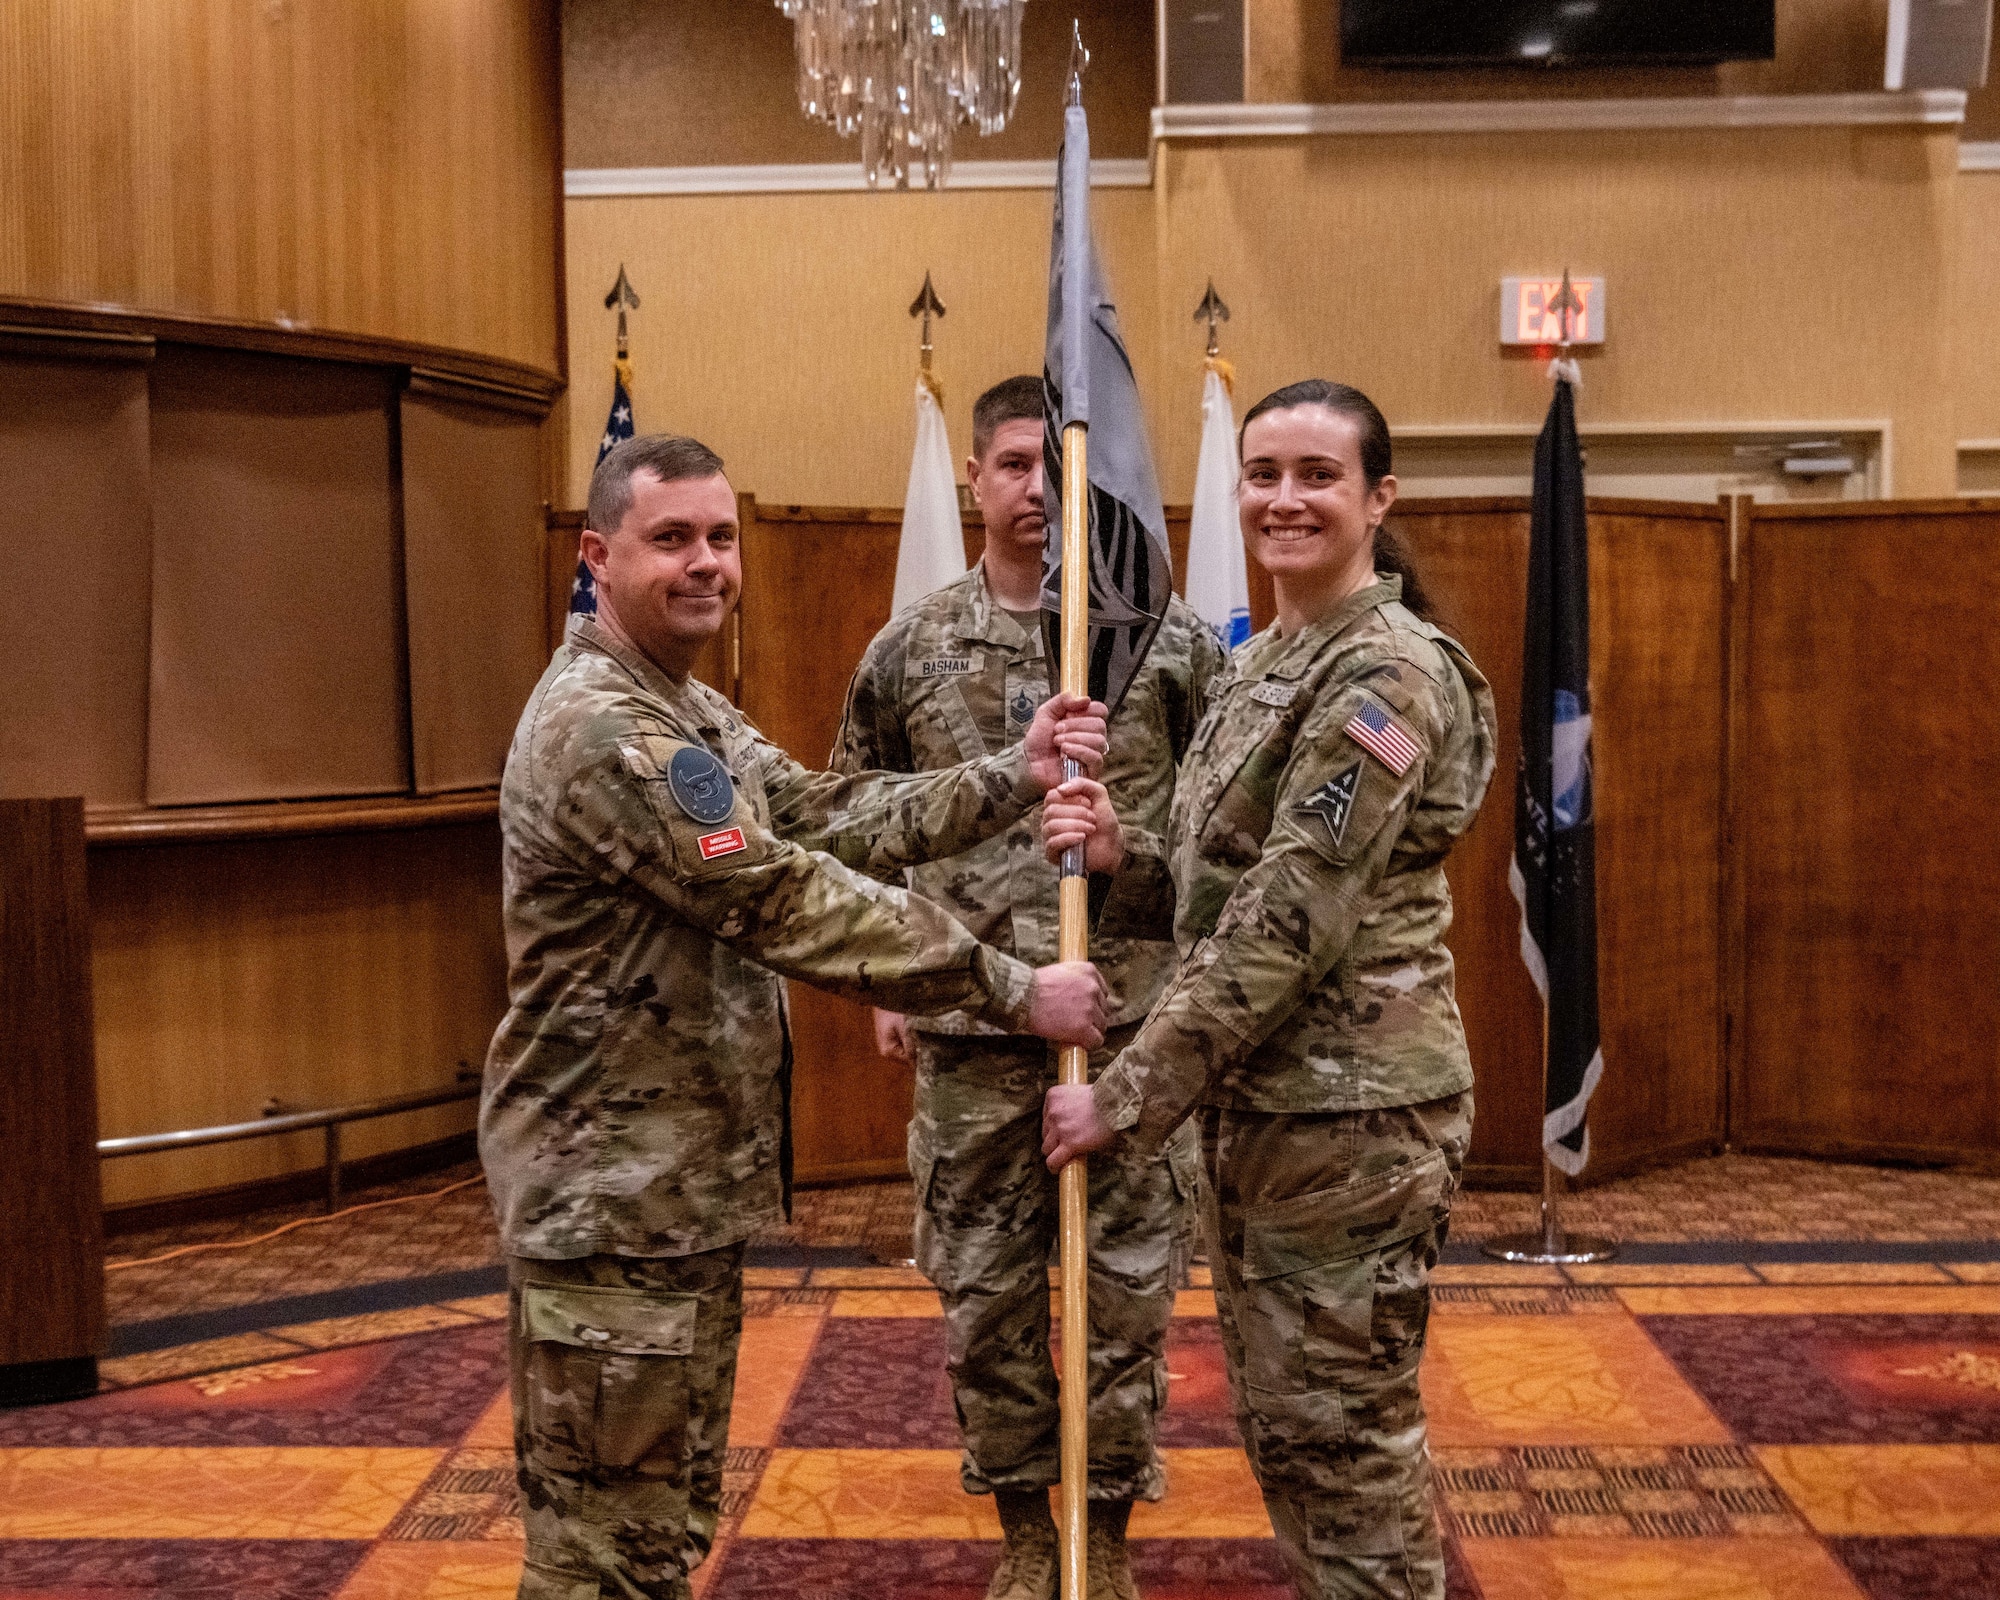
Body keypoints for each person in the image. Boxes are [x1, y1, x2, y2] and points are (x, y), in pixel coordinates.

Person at [481, 431, 1113, 1600]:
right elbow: (784, 896)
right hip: (608, 1200)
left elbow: (822, 815)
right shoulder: (603, 729)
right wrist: (1013, 990)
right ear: (595, 554)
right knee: (600, 1559)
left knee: (655, 1535)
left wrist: (1010, 777)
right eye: (669, 538)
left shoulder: (686, 710)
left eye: (720, 537)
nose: (705, 563)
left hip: (667, 1191)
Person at [1040, 380, 1497, 1600]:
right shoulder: (1267, 658)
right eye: (1262, 473)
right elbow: (1219, 887)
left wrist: (1126, 1098)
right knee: (1293, 1435)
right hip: (1269, 1116)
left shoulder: (1385, 681)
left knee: (1342, 1446)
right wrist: (1119, 862)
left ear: (1375, 497)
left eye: (1316, 475)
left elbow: (1289, 917)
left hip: (1349, 1127)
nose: (1282, 498)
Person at [831, 375, 1226, 1600]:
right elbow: (855, 814)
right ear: (972, 479)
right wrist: (885, 981)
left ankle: (1100, 1532)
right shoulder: (911, 646)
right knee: (986, 1300)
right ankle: (1018, 1528)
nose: (1034, 491)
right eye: (1011, 465)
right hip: (970, 1031)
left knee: (1121, 1301)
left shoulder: (1157, 639)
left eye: (1055, 468)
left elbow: (1228, 834)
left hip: (1124, 1033)